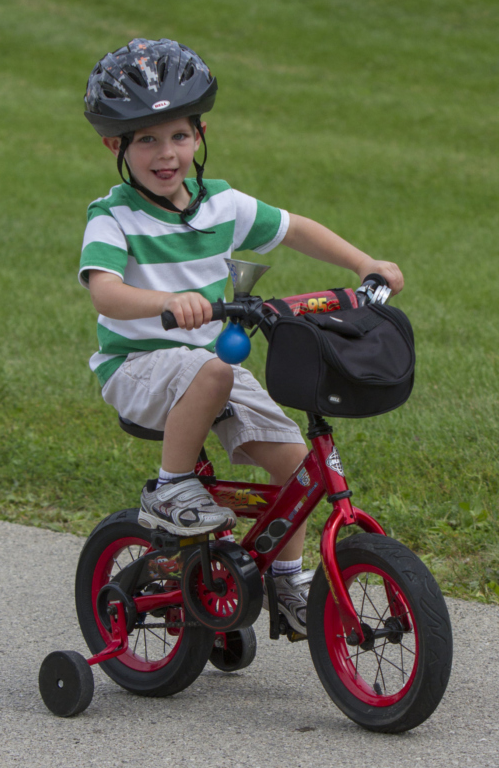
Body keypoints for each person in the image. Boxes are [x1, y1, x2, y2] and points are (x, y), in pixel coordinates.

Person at [79, 38, 403, 636]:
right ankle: (171, 490)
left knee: (296, 466)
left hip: (210, 369)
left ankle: (287, 581)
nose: (166, 153)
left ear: (199, 135)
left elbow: (294, 229)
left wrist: (366, 265)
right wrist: (167, 303)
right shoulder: (113, 215)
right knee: (212, 371)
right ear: (114, 146)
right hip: (136, 368)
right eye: (146, 140)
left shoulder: (221, 204)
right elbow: (105, 292)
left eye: (179, 135)